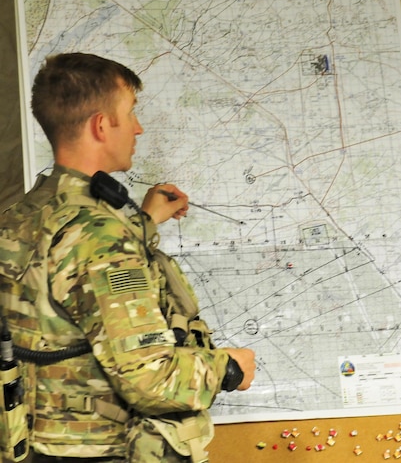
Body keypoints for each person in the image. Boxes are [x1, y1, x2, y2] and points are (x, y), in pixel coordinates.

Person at [0, 53, 256, 462]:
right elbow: (150, 377)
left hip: (41, 446)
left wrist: (144, 222)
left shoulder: (24, 215)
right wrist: (229, 368)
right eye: (131, 113)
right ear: (102, 125)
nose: (138, 128)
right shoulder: (99, 236)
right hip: (105, 451)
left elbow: (59, 288)